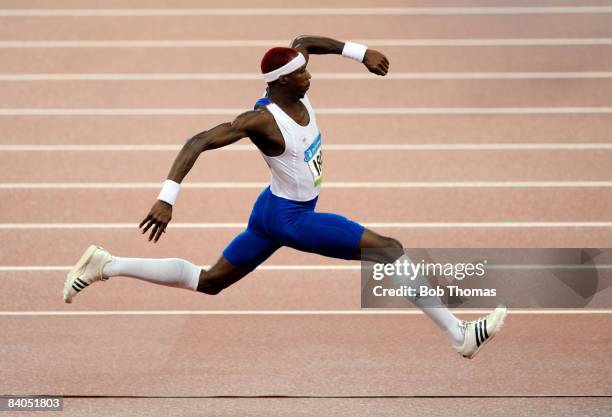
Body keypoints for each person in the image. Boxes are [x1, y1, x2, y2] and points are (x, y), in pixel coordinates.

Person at [63, 35, 506, 359]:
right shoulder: (263, 122)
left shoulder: (295, 75)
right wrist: (166, 198)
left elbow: (306, 39)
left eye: (306, 68)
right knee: (390, 250)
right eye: (301, 74)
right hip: (290, 219)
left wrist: (359, 53)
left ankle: (107, 264)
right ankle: (458, 336)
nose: (309, 74)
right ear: (280, 83)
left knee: (211, 281)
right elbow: (197, 140)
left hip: (270, 207)